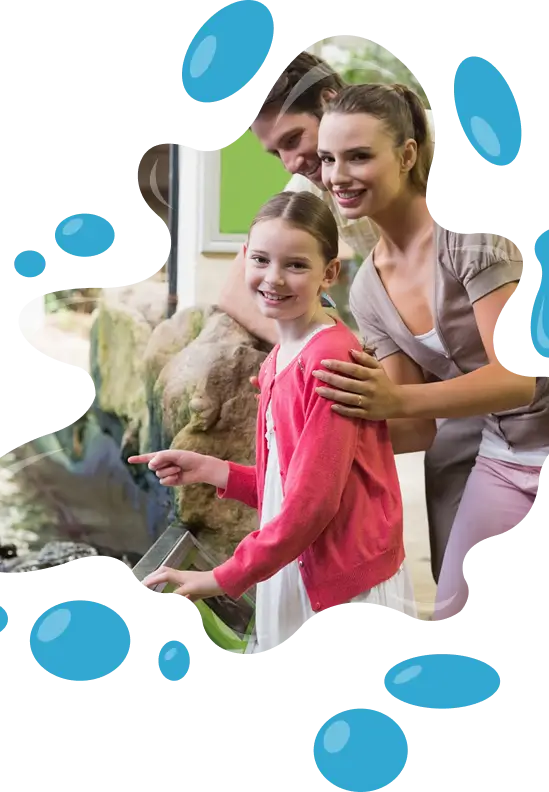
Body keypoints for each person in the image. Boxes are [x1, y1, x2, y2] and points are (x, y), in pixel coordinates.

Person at [312, 82, 549, 620]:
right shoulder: (368, 289)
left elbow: (519, 378)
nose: (337, 176)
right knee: (453, 619)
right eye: (328, 159)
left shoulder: (469, 233)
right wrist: (308, 421)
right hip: (505, 454)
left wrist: (392, 402)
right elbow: (416, 426)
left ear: (407, 155)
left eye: (358, 156)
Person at [130, 191, 417, 655]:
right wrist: (210, 469)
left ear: (329, 273)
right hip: (301, 566)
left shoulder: (328, 363)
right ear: (244, 258)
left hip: (344, 586)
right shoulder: (282, 355)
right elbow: (287, 483)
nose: (273, 278)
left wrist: (221, 578)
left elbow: (311, 506)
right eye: (261, 259)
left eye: (296, 265)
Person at [217, 53, 454, 590]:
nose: (291, 162)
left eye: (293, 140)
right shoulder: (318, 186)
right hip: (439, 408)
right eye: (276, 151)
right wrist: (317, 357)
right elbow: (236, 291)